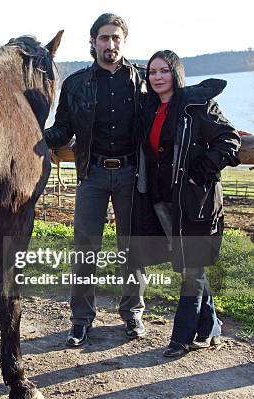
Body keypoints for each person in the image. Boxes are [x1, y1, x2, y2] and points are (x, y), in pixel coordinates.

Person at [44, 13, 147, 346]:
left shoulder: (142, 81)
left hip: (132, 174)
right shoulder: (75, 85)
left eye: (116, 38)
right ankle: (81, 320)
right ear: (93, 42)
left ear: (124, 41)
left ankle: (132, 313)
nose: (110, 44)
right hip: (92, 174)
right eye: (104, 38)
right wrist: (34, 135)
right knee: (85, 249)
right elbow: (62, 130)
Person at [131, 50, 240, 357]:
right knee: (190, 268)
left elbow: (229, 139)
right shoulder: (149, 108)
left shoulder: (197, 105)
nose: (157, 77)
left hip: (195, 202)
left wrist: (200, 172)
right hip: (162, 201)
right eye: (152, 72)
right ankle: (209, 328)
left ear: (176, 73)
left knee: (192, 268)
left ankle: (182, 338)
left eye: (164, 71)